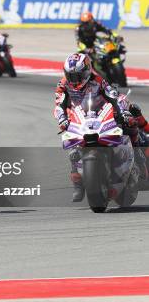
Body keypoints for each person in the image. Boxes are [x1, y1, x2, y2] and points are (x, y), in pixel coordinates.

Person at [54, 53, 132, 202]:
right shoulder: (63, 85)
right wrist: (62, 118)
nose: (74, 80)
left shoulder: (98, 80)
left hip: (101, 114)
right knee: (72, 147)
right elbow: (59, 105)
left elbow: (114, 96)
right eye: (70, 76)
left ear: (87, 70)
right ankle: (77, 182)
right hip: (78, 117)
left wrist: (122, 112)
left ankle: (123, 163)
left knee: (121, 131)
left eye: (77, 76)